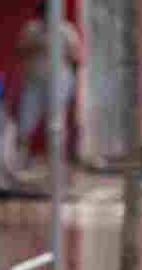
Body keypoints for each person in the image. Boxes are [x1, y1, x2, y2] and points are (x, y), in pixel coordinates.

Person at [14, 16, 84, 164]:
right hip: (35, 81)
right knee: (26, 120)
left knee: (56, 122)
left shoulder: (66, 30)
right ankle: (21, 157)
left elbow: (76, 57)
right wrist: (36, 44)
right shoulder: (32, 28)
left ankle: (57, 161)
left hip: (60, 81)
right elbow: (19, 49)